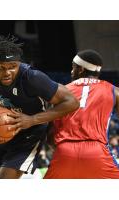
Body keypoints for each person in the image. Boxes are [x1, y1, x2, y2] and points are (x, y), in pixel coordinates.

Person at [0, 29, 79, 179]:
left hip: (29, 134)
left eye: (12, 66)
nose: (7, 72)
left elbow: (71, 102)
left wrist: (32, 120)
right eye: (1, 67)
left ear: (19, 63)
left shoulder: (31, 77)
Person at [44, 49, 119, 179]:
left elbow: (49, 133)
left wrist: (64, 153)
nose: (71, 71)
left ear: (80, 69)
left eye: (73, 67)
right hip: (97, 151)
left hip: (64, 151)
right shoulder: (114, 91)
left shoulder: (60, 91)